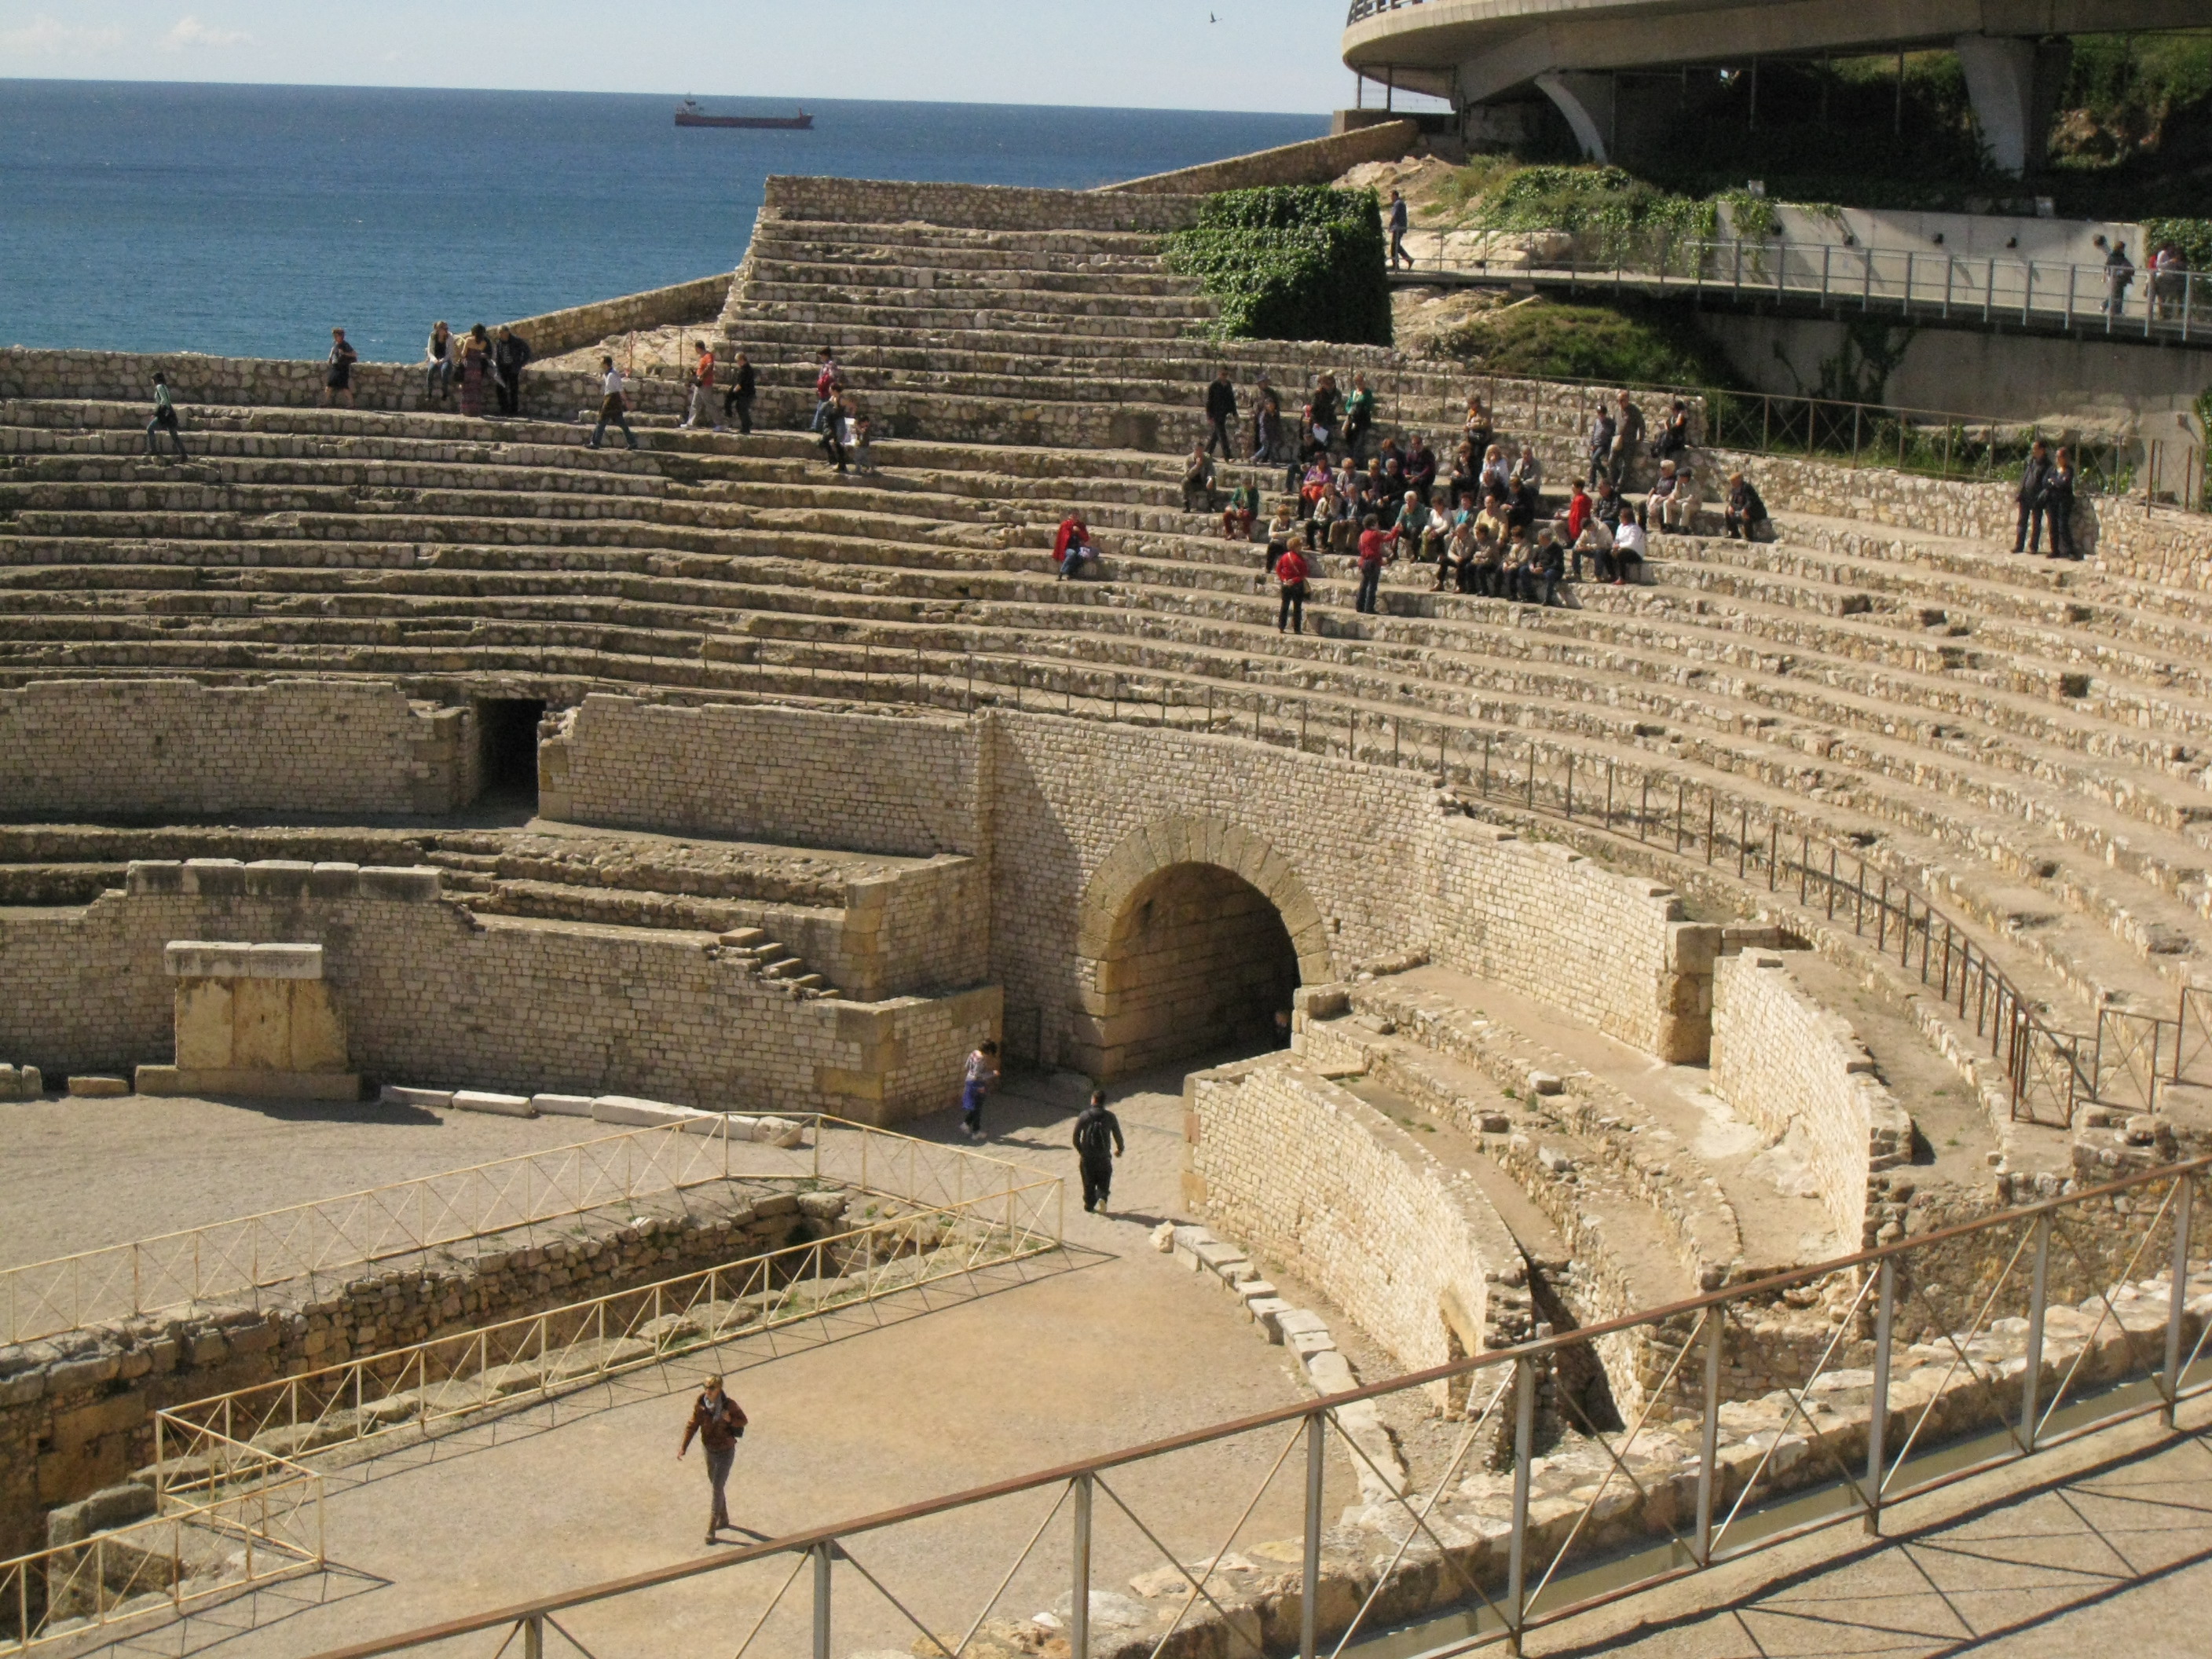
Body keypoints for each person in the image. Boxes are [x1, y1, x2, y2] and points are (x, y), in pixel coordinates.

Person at [677, 1375, 747, 1545]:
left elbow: (743, 1420)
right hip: (709, 1449)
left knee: (717, 1487)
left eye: (711, 1388)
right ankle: (724, 1518)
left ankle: (711, 1528)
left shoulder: (729, 1405)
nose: (707, 1391)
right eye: (705, 1387)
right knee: (716, 1484)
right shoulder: (701, 1406)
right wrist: (683, 1447)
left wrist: (730, 1420)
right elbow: (692, 1425)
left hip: (726, 1450)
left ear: (719, 1389)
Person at [1072, 1090, 1125, 1214]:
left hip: (1088, 1157)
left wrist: (1082, 1151)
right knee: (1104, 1180)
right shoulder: (1110, 1117)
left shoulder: (1084, 1116)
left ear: (1093, 1100)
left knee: (1088, 1182)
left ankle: (1089, 1204)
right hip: (1104, 1157)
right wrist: (1120, 1149)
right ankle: (1102, 1197)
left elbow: (1075, 1138)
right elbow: (1118, 1135)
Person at [590, 356, 639, 450]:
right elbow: (618, 378)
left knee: (601, 421)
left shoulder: (612, 375)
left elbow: (620, 389)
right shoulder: (609, 373)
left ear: (606, 364)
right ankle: (632, 442)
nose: (601, 365)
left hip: (611, 400)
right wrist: (625, 375)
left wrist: (627, 402)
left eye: (602, 363)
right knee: (620, 422)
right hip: (610, 399)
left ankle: (596, 443)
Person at [2012, 439, 2053, 555]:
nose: (2033, 451)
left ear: (2042, 450)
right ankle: (2019, 545)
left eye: (2035, 448)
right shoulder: (2031, 461)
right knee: (2022, 521)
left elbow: (2045, 482)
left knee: (2036, 523)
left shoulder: (2047, 465)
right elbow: (2025, 477)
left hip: (2037, 497)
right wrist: (2020, 491)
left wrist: (2040, 496)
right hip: (2025, 496)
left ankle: (2033, 547)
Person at [1355, 512, 1395, 614]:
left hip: (1364, 561)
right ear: (1373, 524)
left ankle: (1359, 606)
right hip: (1373, 562)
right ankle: (1369, 608)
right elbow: (1387, 538)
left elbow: (1360, 548)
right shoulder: (1375, 534)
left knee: (1363, 585)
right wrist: (1396, 530)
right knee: (1372, 586)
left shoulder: (1362, 535)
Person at [960, 1041, 999, 1140]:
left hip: (969, 1081)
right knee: (978, 1107)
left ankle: (967, 1124)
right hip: (977, 1084)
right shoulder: (981, 1059)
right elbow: (978, 1075)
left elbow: (967, 1066)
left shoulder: (974, 1053)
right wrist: (992, 1074)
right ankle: (976, 1131)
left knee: (975, 1106)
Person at [2044, 448, 2078, 558]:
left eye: (2060, 457)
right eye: (2057, 457)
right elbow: (2045, 482)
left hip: (2064, 501)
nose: (2057, 459)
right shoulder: (2052, 469)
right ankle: (2055, 550)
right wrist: (2055, 482)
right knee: (2052, 525)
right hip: (2052, 501)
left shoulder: (2069, 470)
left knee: (2063, 525)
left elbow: (2064, 483)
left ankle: (2070, 551)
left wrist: (2053, 481)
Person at [145, 372, 186, 461]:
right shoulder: (164, 386)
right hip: (167, 413)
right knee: (174, 435)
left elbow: (165, 401)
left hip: (164, 414)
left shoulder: (160, 387)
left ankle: (153, 450)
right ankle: (183, 455)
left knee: (150, 429)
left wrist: (156, 413)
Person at [492, 325, 532, 419]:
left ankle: (514, 410)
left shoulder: (516, 341)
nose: (499, 334)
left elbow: (527, 350)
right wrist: (497, 367)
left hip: (513, 367)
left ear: (507, 332)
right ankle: (504, 409)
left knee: (513, 389)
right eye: (499, 333)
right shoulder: (499, 342)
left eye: (501, 332)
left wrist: (522, 362)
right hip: (503, 368)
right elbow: (498, 355)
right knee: (500, 388)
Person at [1610, 390, 1645, 489]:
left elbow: (1641, 425)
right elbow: (1614, 424)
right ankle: (1613, 482)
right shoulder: (1617, 410)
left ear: (1627, 400)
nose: (1620, 403)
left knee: (1626, 464)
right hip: (1617, 440)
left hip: (1629, 441)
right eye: (1618, 400)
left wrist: (1640, 438)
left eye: (1622, 400)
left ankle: (1621, 485)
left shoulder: (1634, 411)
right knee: (1611, 461)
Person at [1273, 541, 1309, 634]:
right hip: (1297, 585)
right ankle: (1297, 629)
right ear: (1296, 547)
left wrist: (1284, 579)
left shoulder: (1285, 556)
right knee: (1297, 607)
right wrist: (1294, 580)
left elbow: (1278, 569)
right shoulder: (1299, 559)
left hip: (1285, 584)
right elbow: (1304, 573)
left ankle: (1282, 626)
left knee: (1284, 606)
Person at [1723, 472, 1771, 541]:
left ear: (1739, 480)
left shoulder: (1747, 488)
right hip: (1741, 509)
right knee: (1728, 512)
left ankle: (1749, 536)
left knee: (1746, 514)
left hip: (1755, 511)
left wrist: (1745, 509)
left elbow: (1751, 502)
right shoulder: (1734, 489)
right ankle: (1734, 533)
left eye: (1733, 481)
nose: (1732, 483)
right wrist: (1731, 507)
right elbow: (1733, 501)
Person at [679, 339, 715, 429]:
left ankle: (720, 424)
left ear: (698, 348)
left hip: (705, 383)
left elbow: (710, 365)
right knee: (695, 404)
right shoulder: (702, 357)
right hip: (700, 384)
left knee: (709, 404)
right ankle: (691, 424)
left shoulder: (708, 355)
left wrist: (701, 376)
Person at [1305, 372, 1340, 462]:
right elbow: (1313, 408)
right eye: (1325, 383)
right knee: (1320, 442)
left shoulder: (1336, 393)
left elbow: (1333, 404)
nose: (1328, 385)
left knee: (1328, 442)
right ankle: (1316, 460)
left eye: (1330, 383)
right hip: (1319, 421)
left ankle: (1322, 460)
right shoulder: (1318, 394)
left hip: (1329, 420)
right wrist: (1315, 422)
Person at [457, 324, 491, 418]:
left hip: (468, 365)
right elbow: (481, 355)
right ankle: (475, 410)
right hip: (477, 366)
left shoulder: (468, 340)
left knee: (467, 388)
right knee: (475, 388)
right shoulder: (483, 343)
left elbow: (464, 354)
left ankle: (465, 410)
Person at [1053, 513, 1099, 580]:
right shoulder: (1065, 525)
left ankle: (1071, 572)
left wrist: (1079, 532)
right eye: (1073, 516)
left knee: (1085, 555)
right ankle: (1061, 573)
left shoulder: (1081, 525)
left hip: (1078, 547)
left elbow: (1086, 538)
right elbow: (1063, 539)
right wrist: (1072, 530)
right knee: (1072, 554)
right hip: (1068, 548)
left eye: (1076, 516)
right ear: (1069, 516)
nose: (1074, 518)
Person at [1611, 501, 1648, 584]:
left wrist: (1619, 546)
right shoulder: (1620, 527)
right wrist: (1614, 546)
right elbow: (1617, 539)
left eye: (1621, 516)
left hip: (1636, 553)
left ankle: (1622, 578)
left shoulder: (1635, 528)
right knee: (1606, 553)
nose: (1619, 517)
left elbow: (1632, 544)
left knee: (1621, 553)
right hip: (1622, 549)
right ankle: (1612, 575)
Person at [1205, 368, 1238, 459]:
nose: (1225, 377)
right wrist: (1209, 416)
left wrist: (1235, 413)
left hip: (1224, 413)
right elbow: (1209, 402)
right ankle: (1228, 456)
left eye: (1226, 375)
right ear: (1219, 374)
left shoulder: (1228, 385)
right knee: (1222, 434)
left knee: (1215, 435)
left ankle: (1206, 454)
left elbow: (1231, 400)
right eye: (1223, 374)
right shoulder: (1214, 386)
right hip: (1215, 414)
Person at [1342, 373, 1375, 461]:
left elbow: (1368, 405)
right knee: (1350, 440)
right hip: (1352, 419)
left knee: (1359, 442)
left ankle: (1357, 461)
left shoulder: (1367, 393)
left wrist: (1360, 408)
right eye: (1357, 382)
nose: (1359, 383)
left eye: (1360, 381)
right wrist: (1350, 410)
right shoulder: (1353, 393)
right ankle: (1350, 458)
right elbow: (1348, 405)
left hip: (1362, 420)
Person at [323, 328, 357, 409]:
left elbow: (354, 354)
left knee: (344, 387)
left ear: (341, 336)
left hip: (342, 368)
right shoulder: (336, 344)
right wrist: (330, 357)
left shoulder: (345, 345)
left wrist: (344, 353)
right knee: (329, 386)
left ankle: (352, 404)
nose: (334, 337)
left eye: (336, 335)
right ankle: (325, 402)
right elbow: (333, 350)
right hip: (335, 367)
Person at [723, 350, 756, 434]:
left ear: (742, 360)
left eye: (738, 361)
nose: (737, 363)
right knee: (740, 407)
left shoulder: (745, 370)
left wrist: (733, 392)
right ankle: (746, 425)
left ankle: (746, 426)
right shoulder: (745, 369)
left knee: (742, 408)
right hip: (745, 393)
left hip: (746, 394)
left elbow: (740, 384)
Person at [2103, 241, 2135, 318]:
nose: (2123, 250)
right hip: (2113, 277)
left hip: (2121, 278)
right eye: (2122, 248)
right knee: (2115, 294)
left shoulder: (2122, 257)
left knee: (2119, 294)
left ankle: (2117, 311)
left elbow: (2128, 265)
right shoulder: (2112, 256)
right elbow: (2107, 266)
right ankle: (2105, 306)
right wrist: (2104, 276)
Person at [1182, 442, 1217, 514]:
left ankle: (1211, 504)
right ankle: (1186, 504)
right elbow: (1187, 474)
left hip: (1203, 482)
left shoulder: (1207, 458)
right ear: (1194, 450)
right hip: (1193, 483)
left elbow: (1211, 470)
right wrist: (1197, 466)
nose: (1200, 453)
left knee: (1213, 481)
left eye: (1201, 450)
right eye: (1198, 450)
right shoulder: (1188, 459)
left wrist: (1210, 478)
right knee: (1184, 482)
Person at [424, 321, 453, 402]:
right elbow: (430, 351)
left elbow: (450, 353)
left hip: (445, 359)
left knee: (444, 370)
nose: (447, 330)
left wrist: (442, 360)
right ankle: (429, 393)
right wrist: (434, 360)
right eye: (445, 329)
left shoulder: (450, 337)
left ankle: (445, 393)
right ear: (439, 329)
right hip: (435, 358)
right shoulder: (432, 336)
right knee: (430, 371)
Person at [1387, 189, 1411, 270]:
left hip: (1397, 227)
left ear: (1394, 195)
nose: (1391, 198)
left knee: (1394, 247)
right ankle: (1408, 259)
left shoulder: (1397, 204)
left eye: (1391, 196)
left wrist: (1390, 225)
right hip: (1401, 227)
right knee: (1397, 246)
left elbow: (1394, 215)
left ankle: (1396, 265)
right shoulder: (1401, 203)